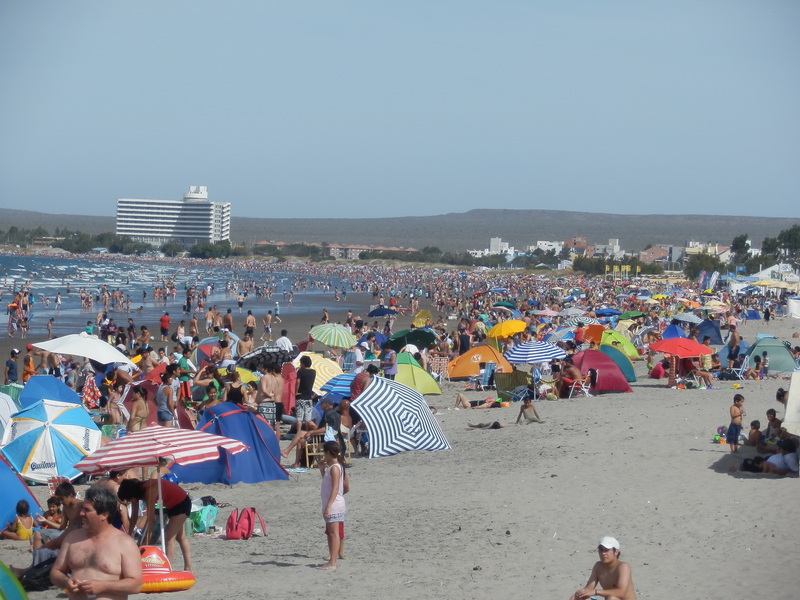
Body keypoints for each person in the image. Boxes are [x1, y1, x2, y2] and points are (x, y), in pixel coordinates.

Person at [50, 485, 143, 600]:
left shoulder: (124, 543)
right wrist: (66, 582)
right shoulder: (72, 538)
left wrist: (103, 586)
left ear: (104, 515)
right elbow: (56, 572)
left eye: (87, 510)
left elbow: (136, 585)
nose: (81, 513)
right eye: (82, 508)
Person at [118, 478, 192, 572]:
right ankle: (189, 567)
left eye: (129, 500)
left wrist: (147, 540)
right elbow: (134, 515)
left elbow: (151, 518)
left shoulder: (150, 490)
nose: (130, 502)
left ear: (132, 494)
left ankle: (167, 568)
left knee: (169, 537)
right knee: (180, 537)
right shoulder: (137, 492)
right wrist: (129, 533)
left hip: (182, 503)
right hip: (172, 505)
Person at [569, 536, 636, 600]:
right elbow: (588, 589)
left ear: (616, 552)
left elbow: (621, 593)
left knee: (612, 598)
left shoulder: (623, 567)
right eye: (601, 550)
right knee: (576, 596)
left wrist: (595, 592)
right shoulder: (598, 566)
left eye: (606, 550)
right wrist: (581, 594)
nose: (603, 553)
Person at [318, 441, 346, 571]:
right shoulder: (334, 467)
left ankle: (333, 562)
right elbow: (328, 484)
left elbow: (335, 488)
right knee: (330, 533)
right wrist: (322, 471)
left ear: (328, 453)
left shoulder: (335, 467)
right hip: (332, 504)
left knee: (334, 533)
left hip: (334, 505)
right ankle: (332, 559)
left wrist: (329, 506)